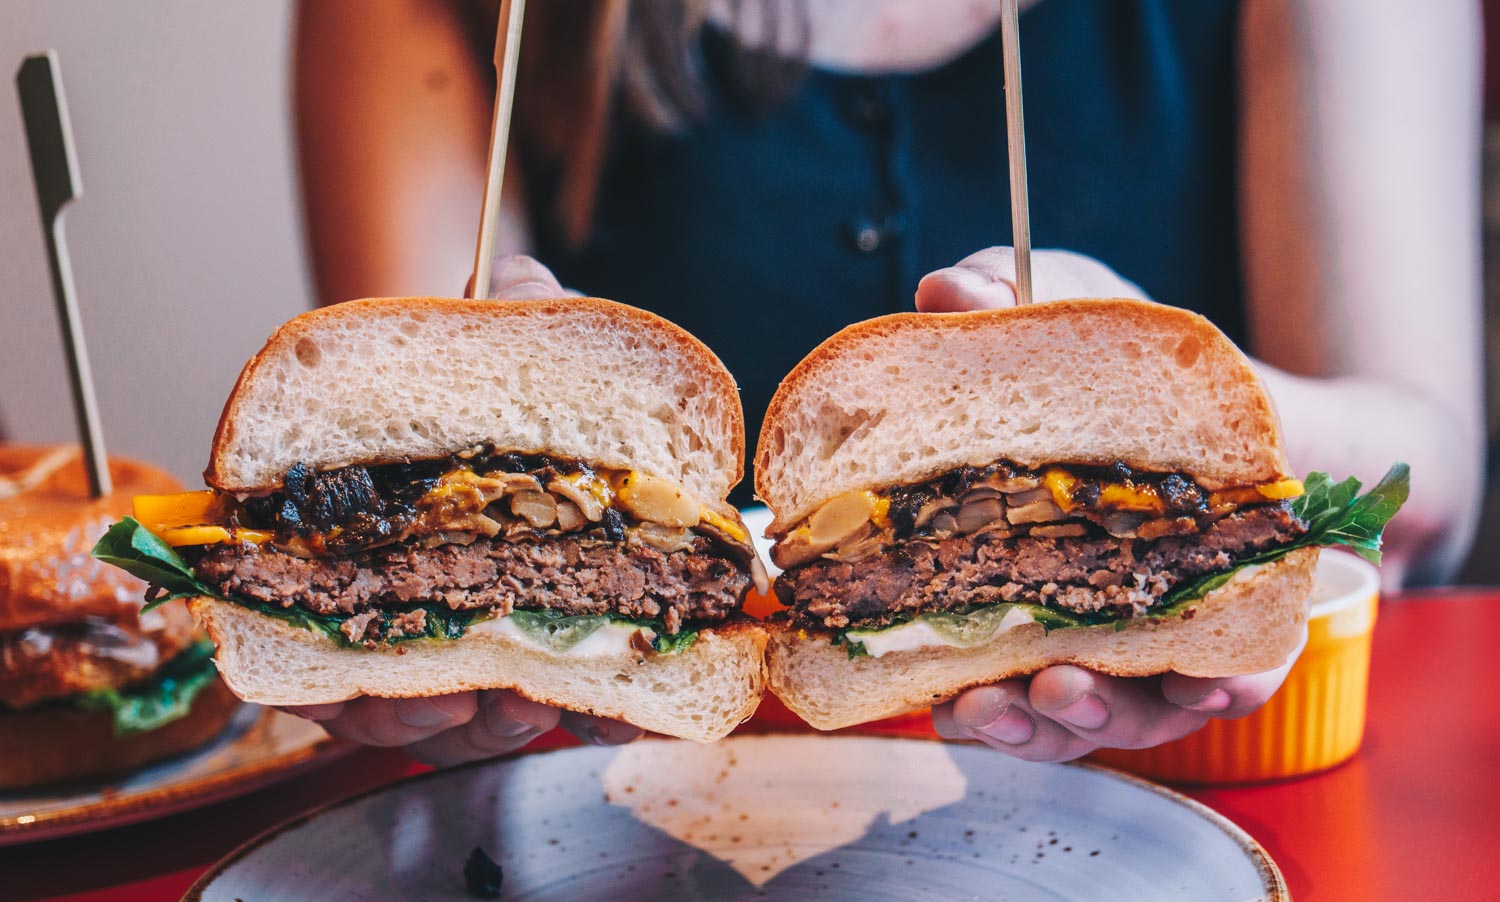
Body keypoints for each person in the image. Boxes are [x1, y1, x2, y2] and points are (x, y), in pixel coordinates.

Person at [286, 0, 1482, 765]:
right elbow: (396, 487)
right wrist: (428, 630)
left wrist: (1161, 399)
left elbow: (1424, 479)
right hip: (608, 845)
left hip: (1230, 824)